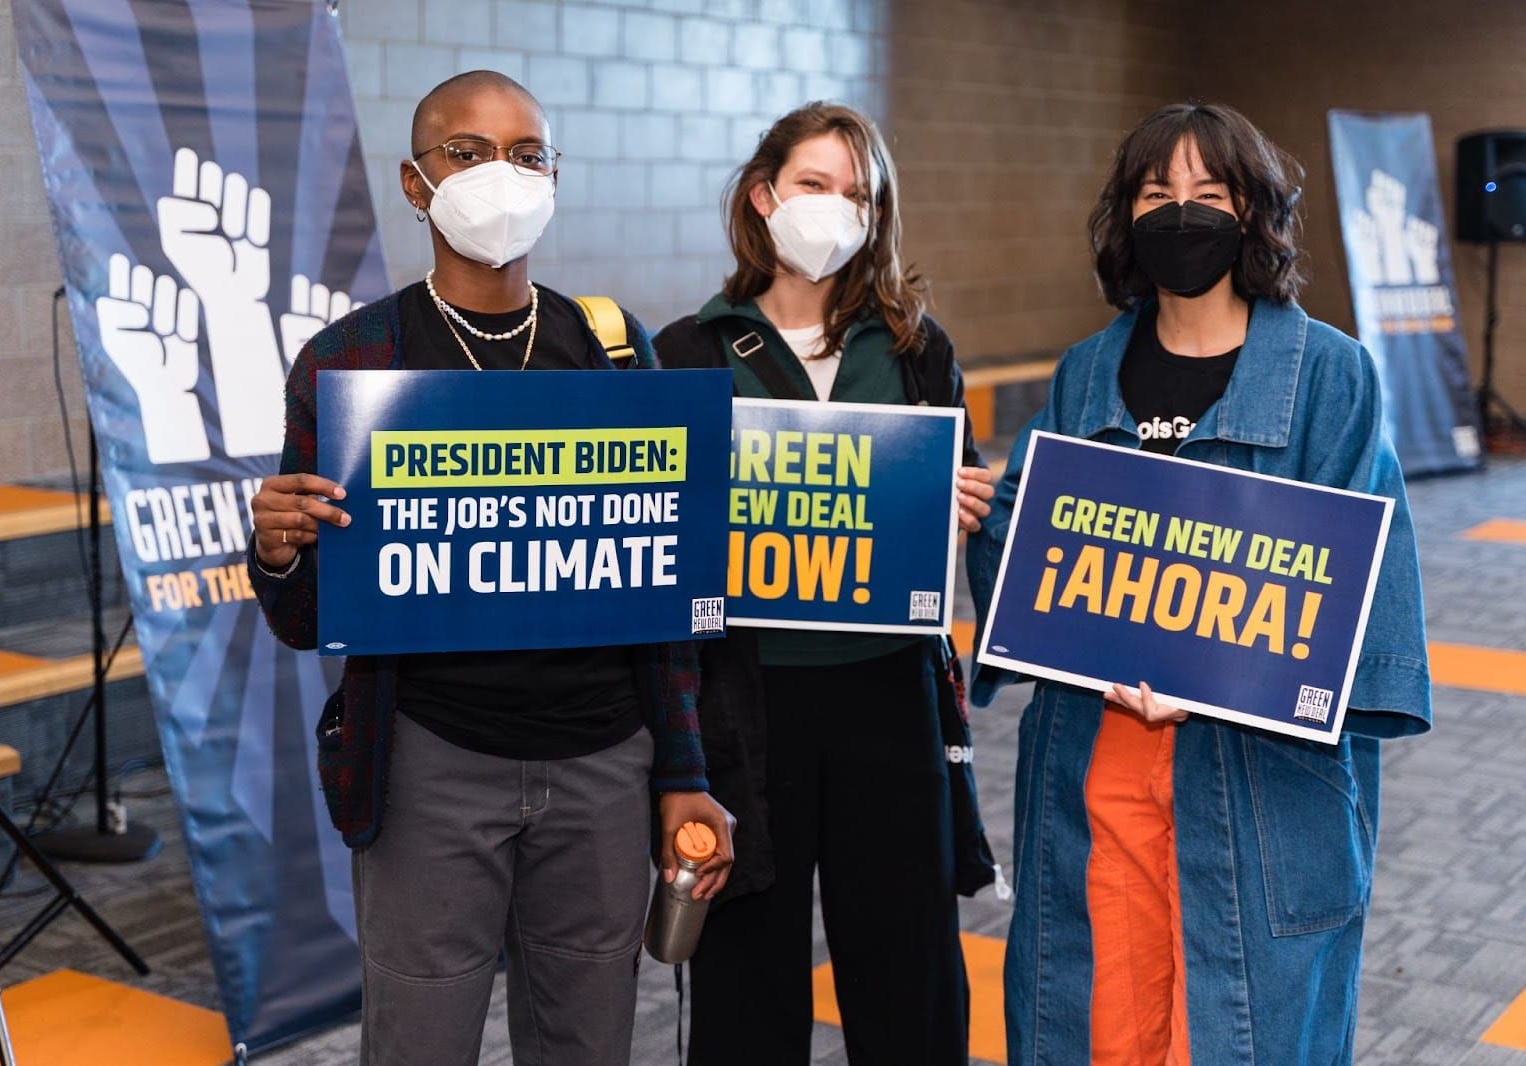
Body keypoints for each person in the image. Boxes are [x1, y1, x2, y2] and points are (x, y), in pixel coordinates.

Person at [245, 70, 734, 1066]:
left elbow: (663, 596)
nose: (499, 176)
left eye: (526, 153)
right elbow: (306, 619)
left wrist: (681, 770)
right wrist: (278, 548)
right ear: (416, 183)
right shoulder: (352, 361)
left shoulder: (614, 352)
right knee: (419, 1039)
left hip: (603, 761)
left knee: (585, 1041)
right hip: (431, 759)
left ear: (557, 175)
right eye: (466, 153)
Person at [968, 102, 1432, 1066]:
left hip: (1260, 778)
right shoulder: (1087, 371)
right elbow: (1035, 555)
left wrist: (1217, 674)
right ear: (1127, 218)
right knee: (1100, 1021)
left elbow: (1364, 577)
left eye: (1208, 195)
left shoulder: (1330, 376)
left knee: (1241, 1030)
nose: (1182, 214)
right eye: (1157, 194)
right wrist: (987, 519)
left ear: (1252, 213)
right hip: (1100, 760)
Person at [653, 102, 995, 1066]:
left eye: (858, 193)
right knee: (748, 981)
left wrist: (966, 502)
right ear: (764, 196)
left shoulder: (919, 350)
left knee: (908, 974)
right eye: (814, 184)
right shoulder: (687, 351)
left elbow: (952, 512)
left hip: (889, 695)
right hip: (747, 701)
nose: (835, 208)